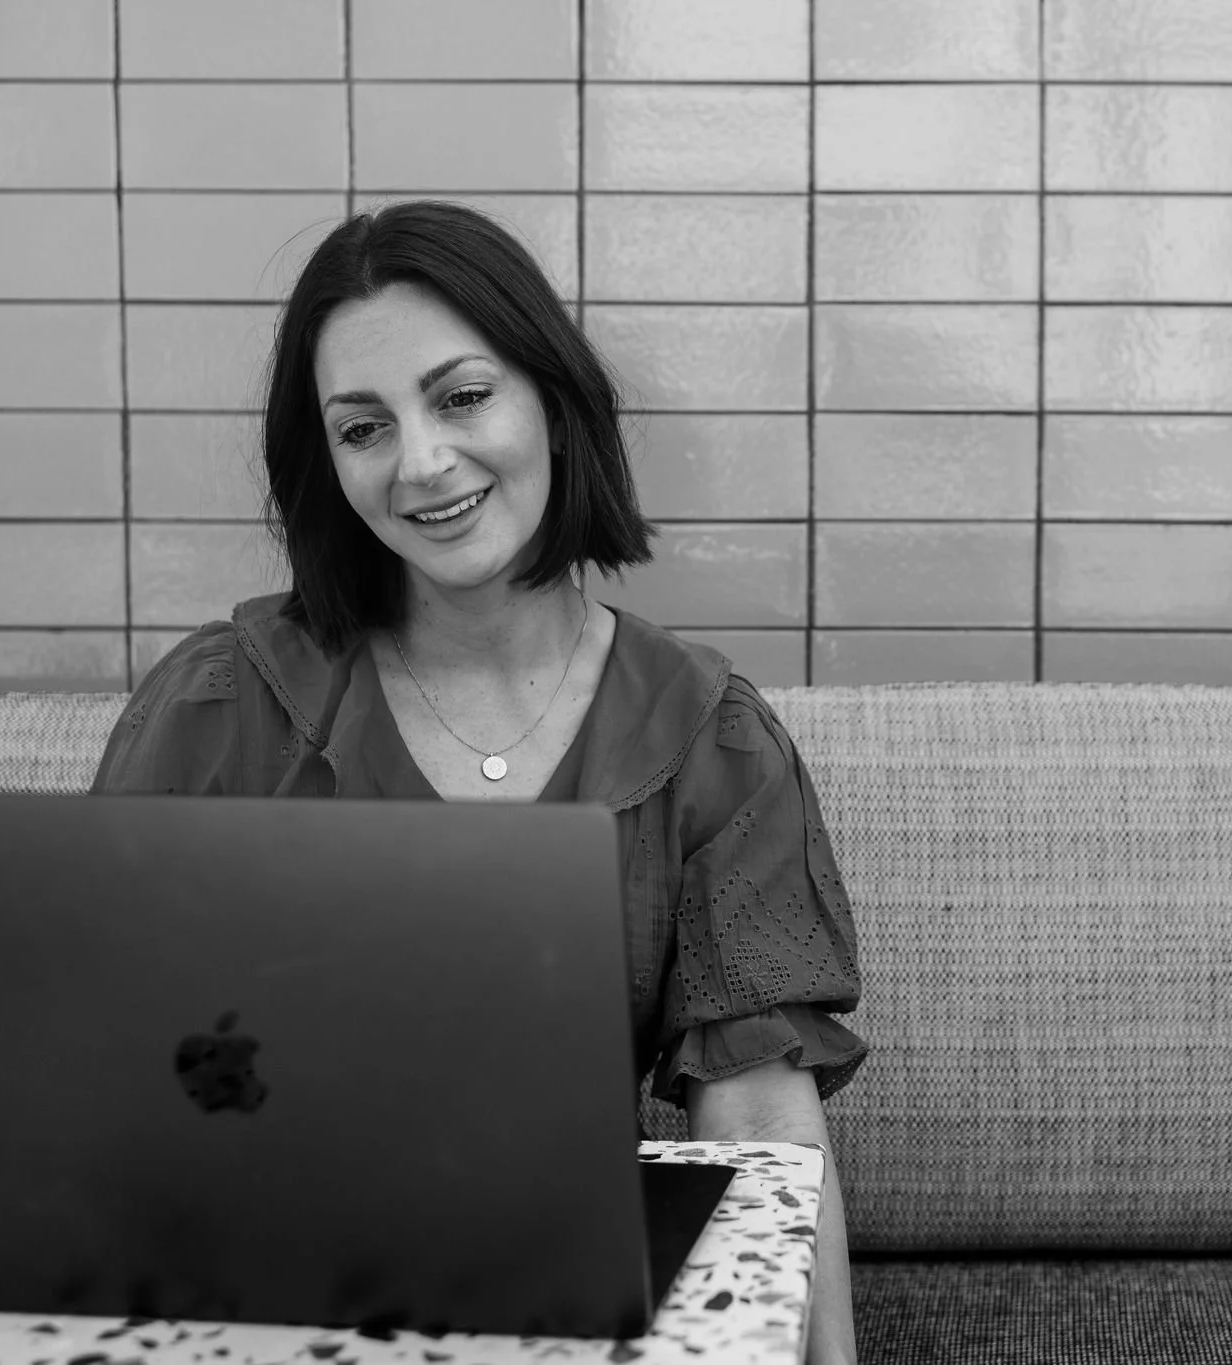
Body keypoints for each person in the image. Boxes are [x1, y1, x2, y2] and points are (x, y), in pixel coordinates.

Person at [92, 199, 865, 1365]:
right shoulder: (220, 703)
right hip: (246, 1306)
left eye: (461, 397)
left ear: (549, 397)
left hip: (553, 1311)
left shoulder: (711, 738)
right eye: (362, 428)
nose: (422, 464)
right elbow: (100, 1049)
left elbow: (757, 1116)